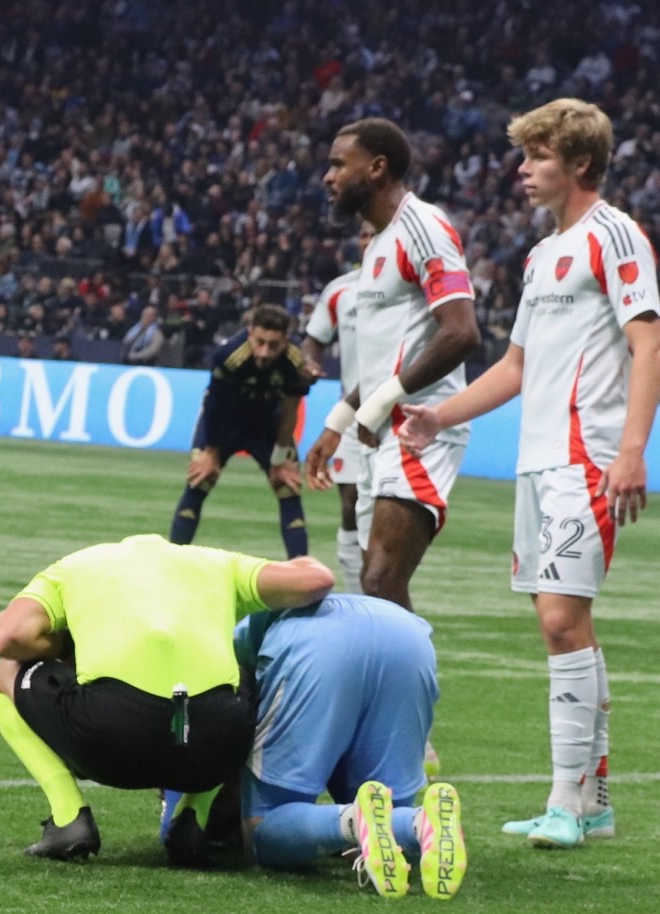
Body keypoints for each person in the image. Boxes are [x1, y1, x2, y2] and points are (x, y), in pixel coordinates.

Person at [398, 98, 660, 847]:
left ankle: (564, 804)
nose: (522, 169)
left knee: (559, 621)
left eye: (538, 156)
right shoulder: (543, 254)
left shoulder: (615, 235)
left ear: (579, 163)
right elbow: (515, 366)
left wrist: (632, 450)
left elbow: (650, 346)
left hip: (588, 457)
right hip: (539, 462)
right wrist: (439, 416)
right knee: (568, 624)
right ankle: (593, 802)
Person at [0, 534, 334, 861]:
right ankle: (194, 818)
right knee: (241, 673)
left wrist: (66, 646)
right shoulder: (218, 563)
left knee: (5, 672)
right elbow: (316, 581)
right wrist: (302, 561)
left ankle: (68, 817)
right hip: (213, 749)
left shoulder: (75, 566)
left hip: (110, 741)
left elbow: (6, 637)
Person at [304, 117, 481, 611]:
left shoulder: (422, 226)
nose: (328, 176)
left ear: (377, 168)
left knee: (382, 578)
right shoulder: (379, 243)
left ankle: (412, 668)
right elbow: (384, 360)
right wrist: (338, 422)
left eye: (339, 164)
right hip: (377, 428)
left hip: (418, 427)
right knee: (372, 584)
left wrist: (381, 403)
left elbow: (462, 332)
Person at [231, 594, 466, 899]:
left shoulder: (237, 635)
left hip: (315, 644)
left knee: (261, 827)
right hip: (409, 637)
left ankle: (352, 822)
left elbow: (223, 718)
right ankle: (418, 823)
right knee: (388, 806)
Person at [169, 305, 313, 558]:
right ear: (250, 334)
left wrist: (280, 458)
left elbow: (291, 410)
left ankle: (301, 571)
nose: (265, 352)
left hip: (267, 427)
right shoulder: (228, 355)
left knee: (287, 485)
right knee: (200, 479)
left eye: (273, 345)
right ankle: (174, 561)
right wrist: (211, 452)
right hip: (223, 424)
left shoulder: (295, 362)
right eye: (260, 342)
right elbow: (213, 404)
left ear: (285, 340)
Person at [300, 219, 377, 593]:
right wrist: (311, 362)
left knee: (386, 512)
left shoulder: (410, 289)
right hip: (350, 414)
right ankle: (357, 594)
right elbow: (313, 338)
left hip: (399, 415)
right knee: (350, 503)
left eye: (375, 234)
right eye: (363, 235)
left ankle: (381, 589)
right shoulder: (340, 291)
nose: (368, 241)